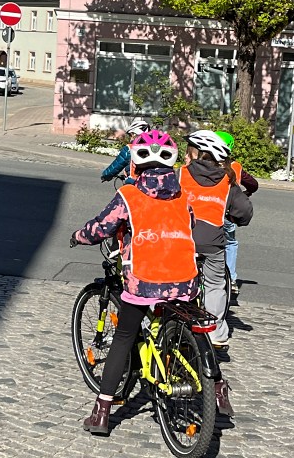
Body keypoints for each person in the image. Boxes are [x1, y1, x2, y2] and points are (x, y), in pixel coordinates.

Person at [71, 129, 201, 435]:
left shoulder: (129, 195)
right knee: (182, 323)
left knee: (124, 336)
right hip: (185, 279)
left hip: (144, 280)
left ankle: (102, 412)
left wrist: (78, 236)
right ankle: (211, 386)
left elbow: (101, 228)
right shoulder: (183, 195)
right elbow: (191, 224)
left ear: (136, 163)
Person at [178, 130, 253, 348]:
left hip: (181, 239)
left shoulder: (180, 174)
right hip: (211, 241)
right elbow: (244, 212)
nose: (185, 156)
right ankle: (216, 332)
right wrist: (235, 217)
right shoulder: (227, 180)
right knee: (214, 285)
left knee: (174, 278)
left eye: (187, 152)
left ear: (195, 154)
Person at [215, 131, 258, 294]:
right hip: (228, 213)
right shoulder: (235, 166)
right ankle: (231, 279)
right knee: (230, 243)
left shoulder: (204, 165)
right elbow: (253, 184)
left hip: (210, 211)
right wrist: (245, 193)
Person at [100, 119, 151, 184]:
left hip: (135, 184)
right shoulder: (156, 149)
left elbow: (117, 165)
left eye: (130, 135)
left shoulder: (130, 149)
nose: (130, 138)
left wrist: (106, 175)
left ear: (135, 134)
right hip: (155, 185)